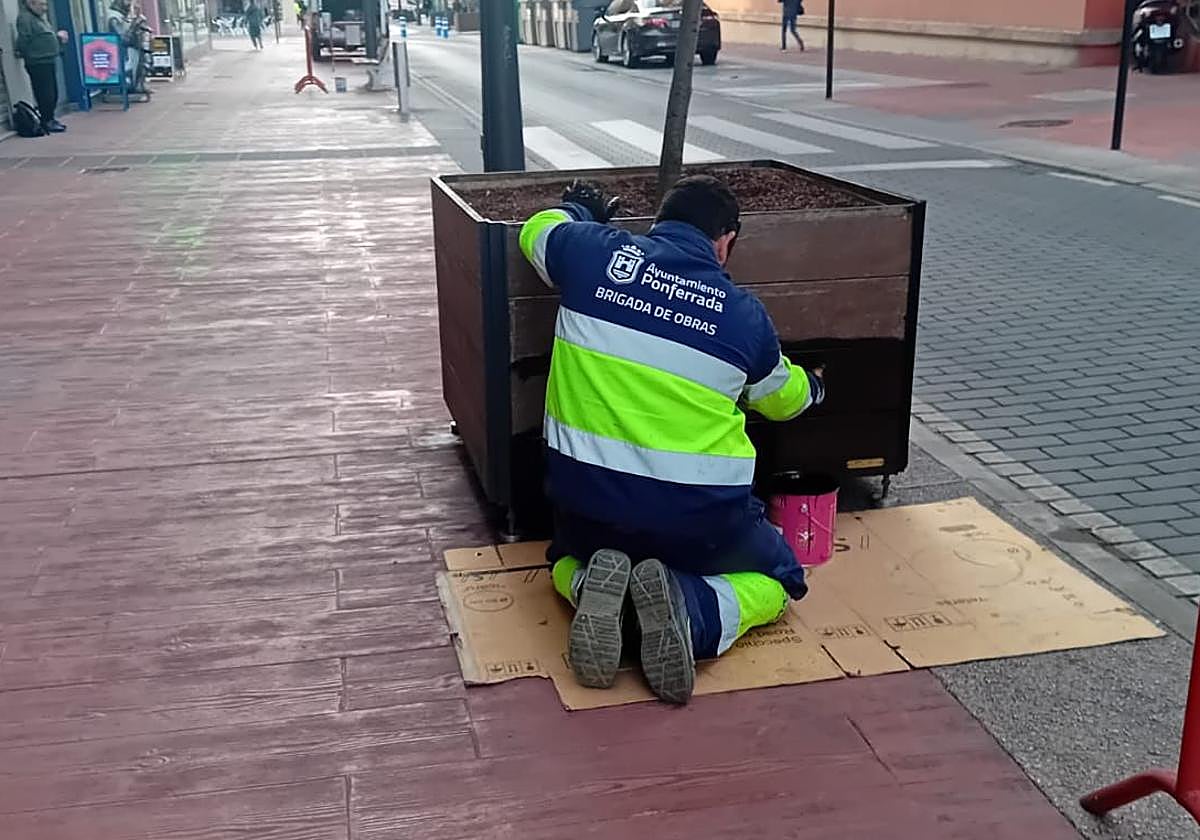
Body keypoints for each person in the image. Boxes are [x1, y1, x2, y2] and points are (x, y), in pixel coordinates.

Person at [518, 176, 825, 704]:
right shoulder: (743, 315)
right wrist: (815, 386)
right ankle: (690, 610)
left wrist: (581, 210)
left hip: (587, 506)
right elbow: (784, 399)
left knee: (564, 555)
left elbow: (537, 231)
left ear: (658, 222)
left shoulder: (595, 255)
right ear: (726, 240)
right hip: (699, 520)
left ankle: (591, 584)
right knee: (781, 577)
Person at [15, 0, 69, 133]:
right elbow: (24, 39)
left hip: (48, 59)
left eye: (45, 4)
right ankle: (47, 121)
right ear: (30, 4)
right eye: (41, 4)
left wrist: (57, 38)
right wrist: (24, 53)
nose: (44, 8)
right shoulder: (25, 18)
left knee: (52, 92)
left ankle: (50, 118)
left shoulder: (40, 19)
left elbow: (43, 37)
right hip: (37, 62)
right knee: (45, 93)